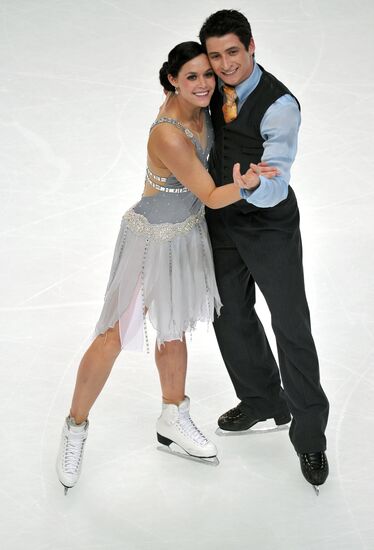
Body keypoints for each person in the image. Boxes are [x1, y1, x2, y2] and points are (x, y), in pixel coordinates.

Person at [56, 41, 278, 494]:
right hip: (152, 240)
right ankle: (74, 428)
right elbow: (214, 195)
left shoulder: (208, 103)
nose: (203, 84)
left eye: (207, 75)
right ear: (171, 80)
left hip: (186, 234)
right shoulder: (169, 134)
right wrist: (252, 182)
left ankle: (172, 414)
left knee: (173, 330)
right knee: (114, 334)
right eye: (191, 76)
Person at [198, 10, 329, 492]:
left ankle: (310, 433)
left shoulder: (279, 106)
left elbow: (277, 179)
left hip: (268, 222)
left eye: (233, 51)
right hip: (222, 220)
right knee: (227, 313)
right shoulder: (213, 91)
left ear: (251, 46)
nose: (226, 64)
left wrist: (253, 184)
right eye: (216, 55)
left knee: (290, 324)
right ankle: (262, 400)